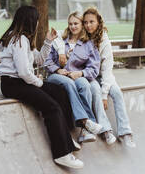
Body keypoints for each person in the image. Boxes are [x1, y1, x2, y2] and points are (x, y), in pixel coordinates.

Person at [0, 5, 84, 169]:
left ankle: (64, 134)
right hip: (13, 84)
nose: (38, 23)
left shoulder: (22, 38)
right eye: (37, 20)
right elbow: (23, 72)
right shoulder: (19, 40)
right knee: (51, 107)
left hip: (20, 81)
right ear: (31, 21)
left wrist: (48, 41)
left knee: (59, 91)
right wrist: (39, 82)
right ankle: (62, 153)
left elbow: (38, 60)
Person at [44, 11, 103, 143]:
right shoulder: (59, 40)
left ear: (82, 25)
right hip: (55, 76)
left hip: (76, 76)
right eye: (70, 24)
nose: (73, 26)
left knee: (85, 84)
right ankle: (86, 121)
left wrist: (80, 73)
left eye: (76, 23)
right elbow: (46, 61)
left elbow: (94, 68)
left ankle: (85, 132)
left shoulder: (89, 44)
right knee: (69, 83)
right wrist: (57, 69)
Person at [83, 7, 136, 148]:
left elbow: (107, 70)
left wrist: (105, 94)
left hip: (104, 75)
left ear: (99, 22)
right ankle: (106, 130)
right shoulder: (83, 38)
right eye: (86, 22)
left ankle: (125, 132)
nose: (88, 25)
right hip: (90, 76)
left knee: (117, 93)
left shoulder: (104, 40)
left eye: (92, 22)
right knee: (95, 90)